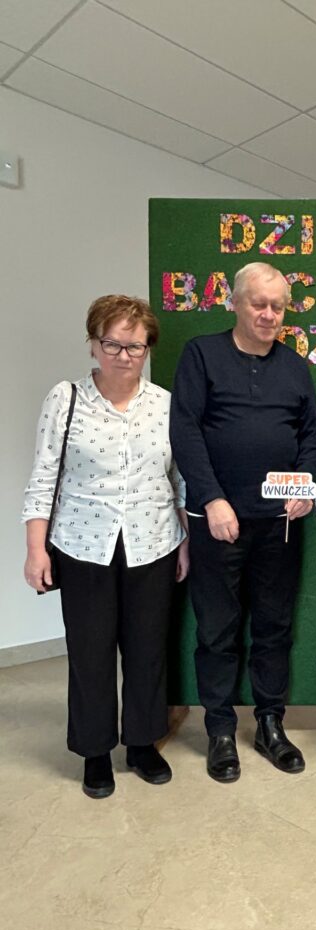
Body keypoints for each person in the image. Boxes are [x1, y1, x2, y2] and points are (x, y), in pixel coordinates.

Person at [22, 295, 188, 799]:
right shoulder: (66, 398)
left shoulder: (165, 404)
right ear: (93, 345)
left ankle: (142, 742)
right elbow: (43, 476)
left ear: (147, 349)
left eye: (134, 346)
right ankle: (95, 751)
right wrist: (36, 549)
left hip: (153, 542)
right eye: (112, 344)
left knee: (148, 649)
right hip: (82, 545)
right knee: (90, 653)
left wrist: (185, 542)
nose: (123, 355)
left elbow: (178, 480)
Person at [170, 262, 316, 783]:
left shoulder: (295, 366)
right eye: (259, 303)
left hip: (280, 523)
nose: (269, 314)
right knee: (217, 629)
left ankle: (270, 724)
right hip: (217, 520)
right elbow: (185, 430)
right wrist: (211, 499)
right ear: (234, 302)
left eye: (278, 306)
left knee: (274, 627)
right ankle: (219, 729)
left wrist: (305, 483)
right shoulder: (201, 354)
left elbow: (312, 434)